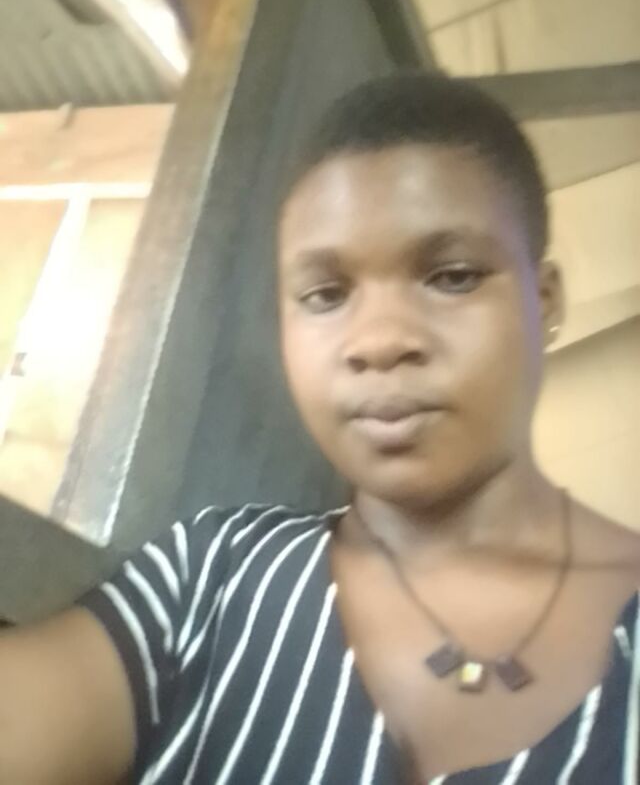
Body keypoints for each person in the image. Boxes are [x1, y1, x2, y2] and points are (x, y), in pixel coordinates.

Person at [0, 73, 638, 785]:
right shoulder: (217, 575)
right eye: (326, 295)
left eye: (453, 276)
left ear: (543, 301)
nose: (379, 340)